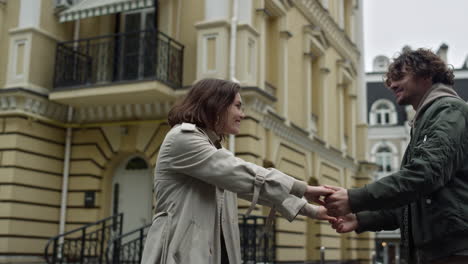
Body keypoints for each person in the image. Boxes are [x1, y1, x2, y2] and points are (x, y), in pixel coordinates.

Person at [140, 78, 335, 264]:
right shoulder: (182, 139)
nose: (242, 114)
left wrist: (313, 210)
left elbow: (250, 187)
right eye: (237, 106)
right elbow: (242, 173)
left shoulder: (212, 148)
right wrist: (304, 189)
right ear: (215, 104)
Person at [324, 48, 468, 264]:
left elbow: (425, 174)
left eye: (400, 77)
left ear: (426, 75)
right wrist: (361, 219)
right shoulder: (429, 118)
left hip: (454, 251)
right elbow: (414, 203)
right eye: (390, 80)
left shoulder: (448, 111)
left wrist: (354, 199)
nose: (391, 85)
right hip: (440, 250)